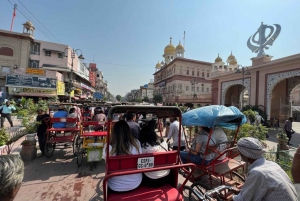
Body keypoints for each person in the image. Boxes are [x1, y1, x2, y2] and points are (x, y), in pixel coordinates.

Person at [233, 137, 297, 201]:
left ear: (245, 154)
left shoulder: (257, 173)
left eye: (240, 151)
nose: (239, 154)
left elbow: (242, 199)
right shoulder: (272, 164)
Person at [102, 120, 142, 192]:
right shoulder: (136, 144)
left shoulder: (108, 148)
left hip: (115, 186)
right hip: (136, 183)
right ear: (128, 131)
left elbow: (106, 162)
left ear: (114, 133)